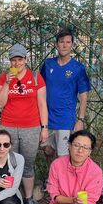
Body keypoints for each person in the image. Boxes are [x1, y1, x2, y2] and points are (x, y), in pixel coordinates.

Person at [0, 43, 48, 204]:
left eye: (20, 59)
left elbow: (42, 104)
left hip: (31, 127)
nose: (16, 64)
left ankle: (29, 197)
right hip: (8, 126)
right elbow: (0, 103)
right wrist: (7, 85)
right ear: (9, 62)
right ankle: (9, 197)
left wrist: (44, 127)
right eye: (13, 60)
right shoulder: (4, 78)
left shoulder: (35, 77)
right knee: (8, 163)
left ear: (25, 60)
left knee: (27, 164)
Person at [40, 28, 90, 158]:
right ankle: (52, 178)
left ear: (72, 45)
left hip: (65, 120)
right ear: (56, 44)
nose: (64, 45)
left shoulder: (78, 68)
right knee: (48, 151)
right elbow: (40, 89)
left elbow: (83, 96)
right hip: (46, 118)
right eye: (61, 42)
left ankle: (61, 179)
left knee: (63, 156)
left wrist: (80, 119)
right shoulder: (48, 64)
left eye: (68, 42)